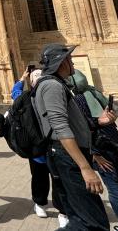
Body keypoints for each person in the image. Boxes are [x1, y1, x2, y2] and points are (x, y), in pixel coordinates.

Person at [33, 44, 111, 231]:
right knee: (93, 223)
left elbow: (70, 123)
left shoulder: (56, 84)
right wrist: (85, 167)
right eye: (69, 59)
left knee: (80, 219)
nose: (73, 62)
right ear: (61, 63)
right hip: (66, 156)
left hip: (65, 154)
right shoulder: (52, 85)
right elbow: (60, 126)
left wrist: (98, 122)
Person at [69, 70, 118, 231]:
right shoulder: (94, 92)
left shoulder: (77, 99)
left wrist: (95, 153)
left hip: (101, 145)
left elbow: (86, 129)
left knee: (115, 189)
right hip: (113, 140)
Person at [11, 68, 68, 227]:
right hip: (50, 145)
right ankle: (57, 210)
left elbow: (15, 92)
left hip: (39, 147)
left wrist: (22, 79)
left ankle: (45, 205)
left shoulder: (25, 96)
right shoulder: (51, 93)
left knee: (44, 177)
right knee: (54, 178)